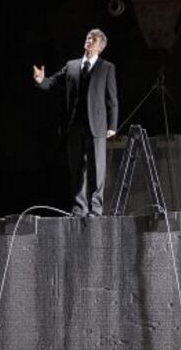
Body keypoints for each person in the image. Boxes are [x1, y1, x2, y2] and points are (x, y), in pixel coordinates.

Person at [33, 28, 118, 217]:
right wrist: (41, 80)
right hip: (75, 126)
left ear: (100, 47)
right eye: (88, 37)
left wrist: (112, 125)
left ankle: (96, 209)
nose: (88, 40)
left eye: (93, 39)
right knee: (77, 168)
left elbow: (112, 99)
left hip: (96, 125)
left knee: (97, 169)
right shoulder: (72, 65)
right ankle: (79, 208)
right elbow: (53, 82)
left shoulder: (106, 68)